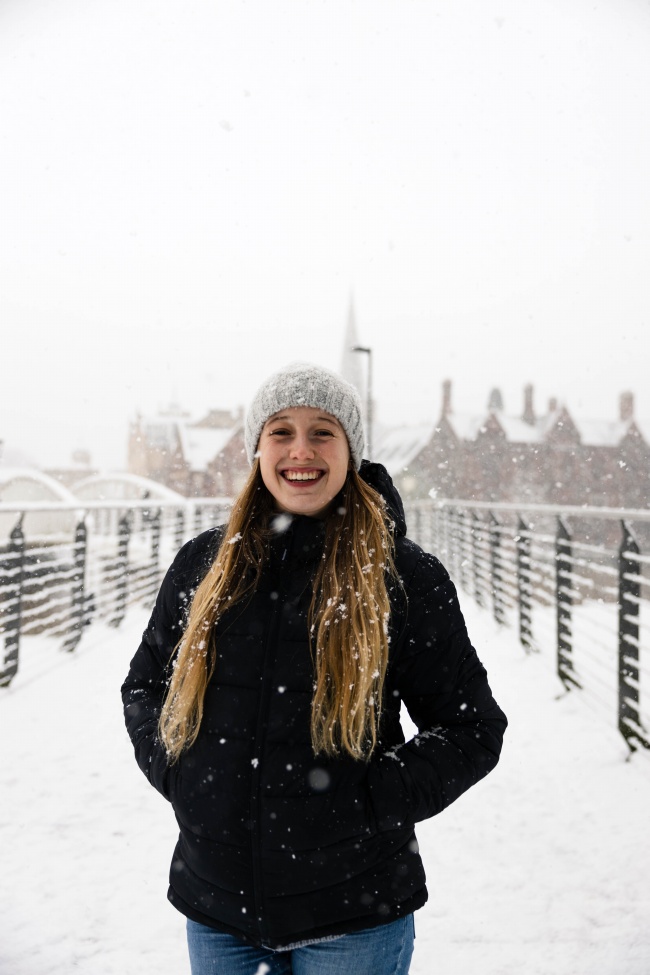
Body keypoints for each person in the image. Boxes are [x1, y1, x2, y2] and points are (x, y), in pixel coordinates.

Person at [121, 362, 507, 975]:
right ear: (258, 448)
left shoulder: (403, 577)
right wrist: (182, 775)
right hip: (219, 908)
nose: (301, 450)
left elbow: (471, 729)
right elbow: (147, 687)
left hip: (354, 913)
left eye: (323, 431)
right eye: (281, 431)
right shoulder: (203, 565)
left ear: (351, 450)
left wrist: (366, 803)